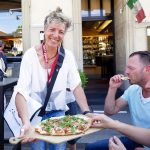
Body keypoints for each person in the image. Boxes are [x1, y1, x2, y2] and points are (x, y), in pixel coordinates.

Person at [13, 7, 92, 150]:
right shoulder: (30, 56)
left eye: (61, 32)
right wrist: (26, 123)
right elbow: (21, 90)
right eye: (52, 29)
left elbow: (76, 86)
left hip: (58, 113)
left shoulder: (67, 56)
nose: (56, 35)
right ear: (45, 29)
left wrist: (86, 111)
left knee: (59, 148)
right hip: (35, 114)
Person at [85, 51, 150, 150]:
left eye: (131, 68)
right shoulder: (133, 90)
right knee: (91, 147)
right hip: (136, 140)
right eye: (127, 67)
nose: (126, 72)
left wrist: (113, 124)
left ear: (147, 69)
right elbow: (110, 111)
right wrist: (112, 88)